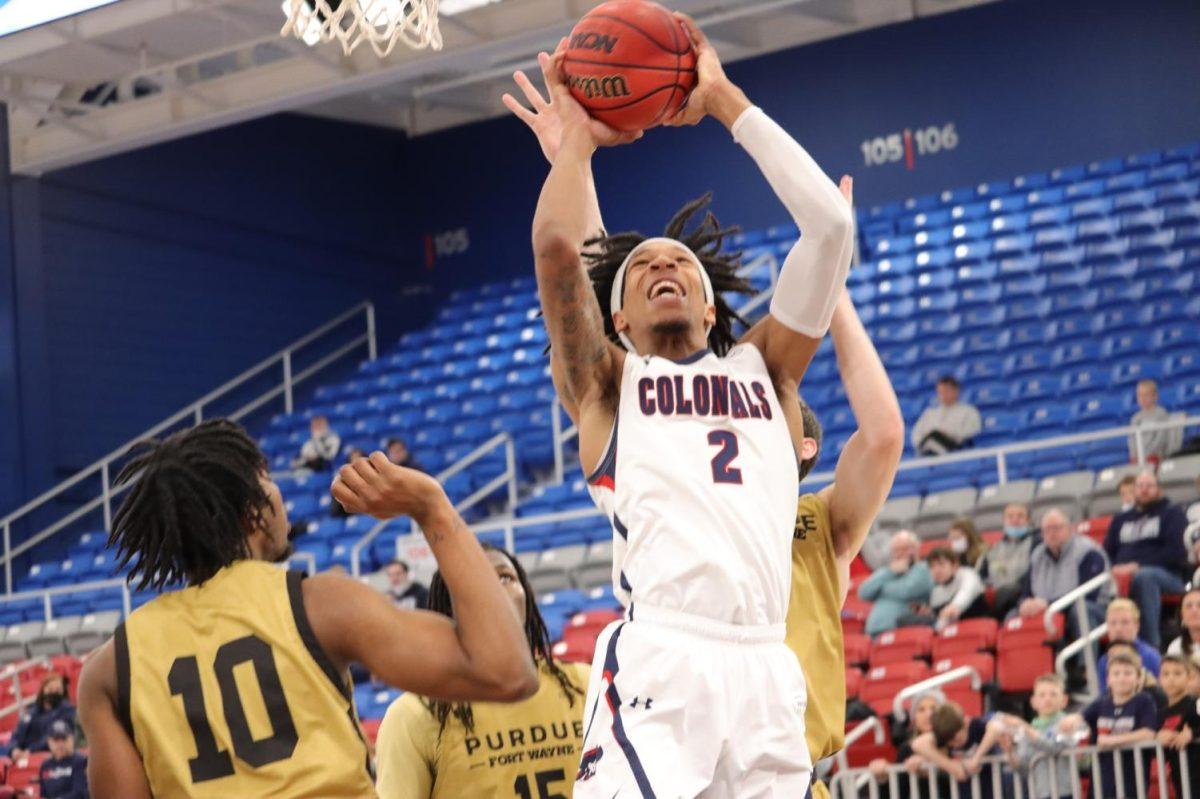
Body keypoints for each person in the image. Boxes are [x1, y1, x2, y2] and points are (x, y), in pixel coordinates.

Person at [524, 11, 854, 794]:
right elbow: (560, 250)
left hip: (768, 668)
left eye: (680, 262)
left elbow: (832, 225)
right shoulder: (608, 385)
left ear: (711, 311)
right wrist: (576, 141)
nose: (664, 263)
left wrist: (725, 101)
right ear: (618, 321)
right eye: (643, 268)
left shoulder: (766, 372)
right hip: (664, 662)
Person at [78, 419, 537, 798]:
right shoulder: (320, 603)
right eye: (268, 482)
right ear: (250, 513)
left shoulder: (110, 670)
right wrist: (432, 507)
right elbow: (507, 670)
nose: (280, 497)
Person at [774, 179, 903, 795]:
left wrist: (834, 286)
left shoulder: (819, 517)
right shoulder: (706, 507)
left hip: (800, 777)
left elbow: (881, 436)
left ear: (806, 448)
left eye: (780, 404)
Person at [376, 545, 589, 798]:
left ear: (527, 595)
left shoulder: (584, 684)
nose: (493, 590)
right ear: (448, 605)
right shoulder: (413, 716)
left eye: (504, 577)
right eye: (472, 580)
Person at [1105, 469, 1190, 647]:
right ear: (1134, 490)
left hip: (1169, 576)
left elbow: (1176, 552)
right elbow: (1107, 551)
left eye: (1149, 486)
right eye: (1140, 486)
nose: (1144, 490)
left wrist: (1138, 565)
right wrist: (1115, 568)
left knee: (1145, 576)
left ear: (1159, 488)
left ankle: (1151, 645)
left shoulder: (1172, 513)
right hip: (1123, 576)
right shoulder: (1120, 519)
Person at [1059, 651, 1157, 799]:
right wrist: (1070, 721)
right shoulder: (1101, 702)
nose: (1121, 678)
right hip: (1101, 781)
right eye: (1116, 674)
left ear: (1138, 678)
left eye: (1127, 673)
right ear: (1108, 679)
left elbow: (1148, 733)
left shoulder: (1144, 701)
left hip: (1131, 781)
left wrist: (1111, 741)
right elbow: (1078, 717)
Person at [1016, 508, 1111, 638]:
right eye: (1047, 530)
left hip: (1096, 609)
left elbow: (1088, 596)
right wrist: (1024, 604)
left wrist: (1048, 605)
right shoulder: (1037, 555)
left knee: (1080, 612)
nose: (1051, 533)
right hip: (1050, 610)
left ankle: (1086, 658)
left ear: (1069, 528)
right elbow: (1026, 592)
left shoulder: (1088, 552)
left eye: (1056, 528)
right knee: (1012, 615)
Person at [865, 690, 943, 799]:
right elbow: (899, 793)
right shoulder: (906, 749)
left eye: (933, 709)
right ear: (914, 718)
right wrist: (884, 779)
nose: (928, 714)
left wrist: (932, 767)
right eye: (921, 710)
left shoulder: (953, 742)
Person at [1006, 674, 1073, 799]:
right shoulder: (1030, 729)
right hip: (1039, 793)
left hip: (1065, 792)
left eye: (1053, 694)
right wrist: (1009, 751)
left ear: (1064, 700)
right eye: (1042, 695)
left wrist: (1025, 727)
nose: (1047, 699)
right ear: (1033, 702)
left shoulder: (1068, 723)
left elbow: (1053, 748)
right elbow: (1024, 768)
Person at [858, 531, 933, 636]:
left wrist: (882, 589)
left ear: (916, 549)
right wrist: (890, 572)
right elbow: (863, 592)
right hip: (874, 632)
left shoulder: (922, 569)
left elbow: (906, 591)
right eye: (896, 550)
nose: (900, 553)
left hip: (904, 631)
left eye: (905, 549)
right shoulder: (887, 571)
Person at [979, 503, 1040, 620]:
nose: (1015, 520)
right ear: (1003, 521)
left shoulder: (1036, 543)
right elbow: (981, 577)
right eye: (1010, 516)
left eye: (1020, 516)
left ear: (1028, 520)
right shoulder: (993, 549)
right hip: (996, 600)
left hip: (1023, 598)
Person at [900, 547, 987, 630]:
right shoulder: (936, 592)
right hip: (950, 633)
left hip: (978, 627)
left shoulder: (968, 574)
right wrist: (930, 612)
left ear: (954, 566)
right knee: (904, 620)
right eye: (932, 567)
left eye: (941, 564)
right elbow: (939, 618)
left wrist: (954, 606)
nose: (936, 570)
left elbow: (967, 592)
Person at [1155, 653, 1200, 799]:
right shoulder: (1160, 714)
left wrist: (1192, 733)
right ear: (1159, 679)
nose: (1171, 679)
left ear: (1189, 677)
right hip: (1180, 777)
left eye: (1177, 673)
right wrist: (1157, 738)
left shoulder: (1195, 704)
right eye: (1166, 674)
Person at [1097, 598, 1162, 693]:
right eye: (1113, 623)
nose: (1118, 629)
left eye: (1125, 623)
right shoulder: (1103, 661)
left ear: (1136, 625)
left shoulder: (1151, 656)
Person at [8, 672, 76, 759]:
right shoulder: (31, 712)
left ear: (63, 692)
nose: (54, 692)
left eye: (58, 690)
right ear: (43, 689)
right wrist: (14, 750)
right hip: (21, 758)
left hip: (48, 757)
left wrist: (30, 751)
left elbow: (54, 736)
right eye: (50, 689)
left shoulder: (67, 710)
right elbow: (16, 735)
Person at [910, 376, 981, 456]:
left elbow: (972, 432)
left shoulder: (969, 411)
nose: (943, 395)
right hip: (927, 455)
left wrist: (948, 433)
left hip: (956, 452)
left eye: (946, 391)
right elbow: (915, 436)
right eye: (940, 392)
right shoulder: (930, 413)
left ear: (956, 391)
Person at [38, 720, 88, 799]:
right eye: (56, 740)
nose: (60, 744)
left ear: (71, 739)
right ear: (49, 742)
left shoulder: (80, 762)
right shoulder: (45, 766)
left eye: (64, 739)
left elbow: (80, 794)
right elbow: (43, 794)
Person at [1128, 379, 1172, 462]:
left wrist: (1146, 454)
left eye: (1146, 395)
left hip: (1155, 455)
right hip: (1138, 457)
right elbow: (1131, 440)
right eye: (1140, 395)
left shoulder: (1161, 414)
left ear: (1155, 396)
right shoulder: (1135, 418)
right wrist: (1134, 454)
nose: (1142, 398)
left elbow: (1160, 438)